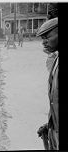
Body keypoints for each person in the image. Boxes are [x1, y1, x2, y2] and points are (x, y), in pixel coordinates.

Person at [36, 17, 58, 150]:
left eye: (47, 37)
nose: (43, 43)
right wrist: (50, 125)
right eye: (42, 39)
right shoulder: (55, 61)